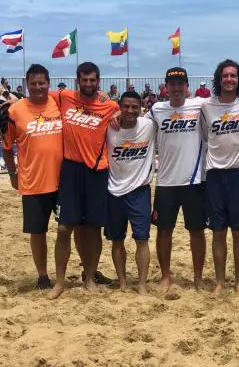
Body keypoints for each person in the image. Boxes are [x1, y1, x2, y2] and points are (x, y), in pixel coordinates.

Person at [48, 62, 120, 299]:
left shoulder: (110, 106)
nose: (89, 84)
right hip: (70, 169)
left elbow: (129, 116)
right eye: (84, 80)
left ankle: (90, 276)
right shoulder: (64, 97)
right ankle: (59, 281)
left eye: (92, 80)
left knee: (94, 228)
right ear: (77, 80)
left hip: (97, 171)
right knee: (63, 228)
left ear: (98, 81)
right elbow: (37, 98)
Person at [1, 64, 63, 290]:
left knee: (72, 228)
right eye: (33, 83)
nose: (38, 87)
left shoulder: (59, 102)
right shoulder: (15, 110)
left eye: (42, 83)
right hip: (33, 182)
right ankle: (43, 276)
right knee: (38, 233)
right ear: (27, 84)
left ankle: (83, 271)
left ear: (49, 83)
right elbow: (7, 148)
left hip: (62, 181)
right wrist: (12, 173)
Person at [147, 67, 208, 292]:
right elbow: (133, 123)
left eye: (180, 83)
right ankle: (165, 276)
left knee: (197, 231)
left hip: (194, 181)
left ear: (187, 86)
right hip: (165, 182)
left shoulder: (199, 105)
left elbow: (228, 102)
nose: (176, 88)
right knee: (164, 231)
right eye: (172, 84)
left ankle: (198, 277)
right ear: (165, 87)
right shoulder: (156, 110)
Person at [201, 59, 239, 295]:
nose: (229, 80)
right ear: (218, 79)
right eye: (225, 76)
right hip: (214, 176)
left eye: (233, 76)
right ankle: (220, 281)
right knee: (218, 231)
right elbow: (204, 137)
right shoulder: (206, 106)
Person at [105, 91, 156, 295]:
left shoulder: (149, 125)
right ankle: (123, 282)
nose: (130, 110)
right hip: (113, 191)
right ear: (119, 107)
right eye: (126, 106)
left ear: (141, 107)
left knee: (142, 239)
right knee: (117, 240)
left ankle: (142, 284)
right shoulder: (109, 128)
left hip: (139, 191)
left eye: (135, 107)